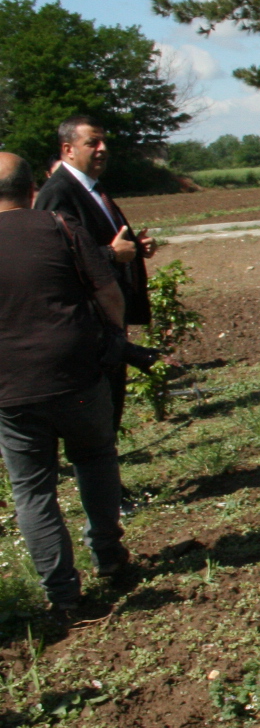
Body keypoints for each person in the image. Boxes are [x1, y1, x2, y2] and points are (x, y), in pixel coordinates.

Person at [0, 153, 130, 614]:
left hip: (11, 387)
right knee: (95, 459)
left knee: (32, 490)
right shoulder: (59, 226)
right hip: (76, 373)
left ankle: (62, 593)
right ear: (32, 188)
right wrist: (116, 338)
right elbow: (108, 292)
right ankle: (108, 553)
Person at [34, 114, 158, 425]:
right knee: (96, 415)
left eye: (104, 142)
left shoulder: (93, 188)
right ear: (68, 149)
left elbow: (93, 242)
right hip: (89, 323)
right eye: (92, 142)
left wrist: (134, 248)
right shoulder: (58, 192)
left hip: (109, 319)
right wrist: (112, 254)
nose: (103, 148)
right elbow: (54, 258)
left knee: (111, 407)